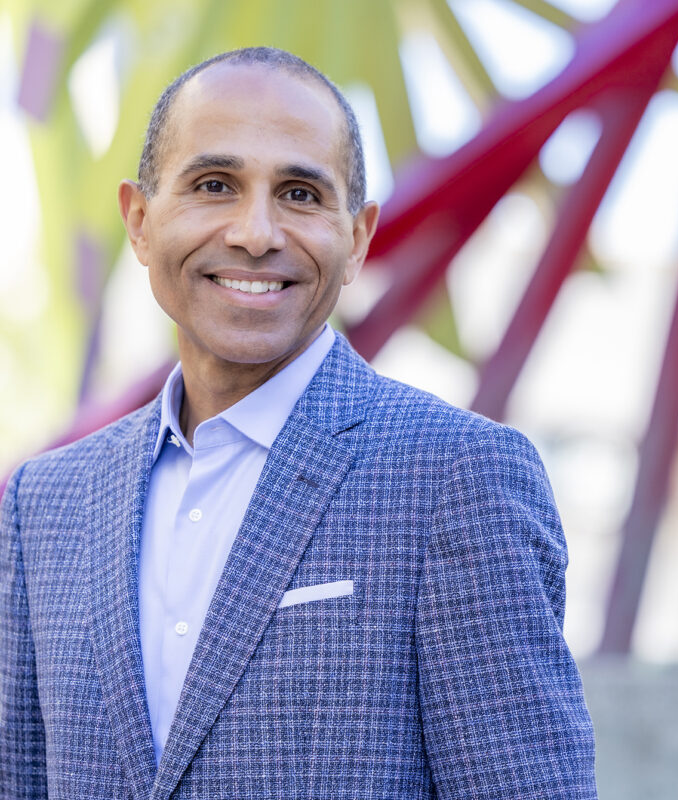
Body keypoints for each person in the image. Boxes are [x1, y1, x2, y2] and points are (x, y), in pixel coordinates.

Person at [0, 47, 597, 799]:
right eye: (215, 185)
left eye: (301, 194)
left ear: (358, 239)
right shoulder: (44, 502)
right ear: (142, 222)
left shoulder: (457, 476)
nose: (256, 232)